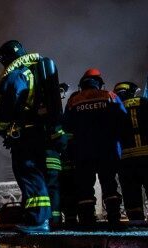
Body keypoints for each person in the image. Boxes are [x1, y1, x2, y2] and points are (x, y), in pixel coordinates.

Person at [0, 40, 57, 233]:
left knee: (29, 174)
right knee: (34, 174)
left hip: (24, 133)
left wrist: (0, 128)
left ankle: (38, 221)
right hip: (35, 131)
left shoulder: (17, 75)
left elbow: (8, 105)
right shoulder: (32, 72)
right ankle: (36, 218)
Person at [63, 69, 127, 224]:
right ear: (99, 83)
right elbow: (124, 121)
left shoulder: (73, 101)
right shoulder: (110, 96)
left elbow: (66, 127)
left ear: (82, 85)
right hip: (108, 150)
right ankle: (114, 218)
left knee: (84, 186)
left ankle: (87, 219)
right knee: (110, 183)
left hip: (82, 152)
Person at [113, 81, 148, 221]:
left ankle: (136, 222)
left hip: (126, 160)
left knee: (131, 194)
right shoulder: (144, 102)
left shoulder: (114, 108)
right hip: (146, 155)